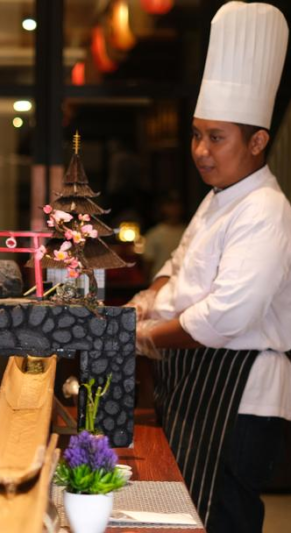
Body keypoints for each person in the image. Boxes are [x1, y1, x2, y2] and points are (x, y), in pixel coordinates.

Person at [129, 3, 291, 533]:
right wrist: (147, 300)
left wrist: (147, 335)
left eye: (215, 137)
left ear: (257, 141)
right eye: (197, 135)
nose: (200, 150)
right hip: (196, 380)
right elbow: (177, 263)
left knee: (224, 518)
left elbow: (227, 316)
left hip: (238, 392)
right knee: (189, 514)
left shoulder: (265, 208)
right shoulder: (220, 196)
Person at [142, 192, 186, 281]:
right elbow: (148, 262)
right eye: (170, 205)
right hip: (159, 281)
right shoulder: (154, 234)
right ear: (163, 208)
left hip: (182, 280)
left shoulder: (187, 232)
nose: (174, 208)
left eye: (176, 205)